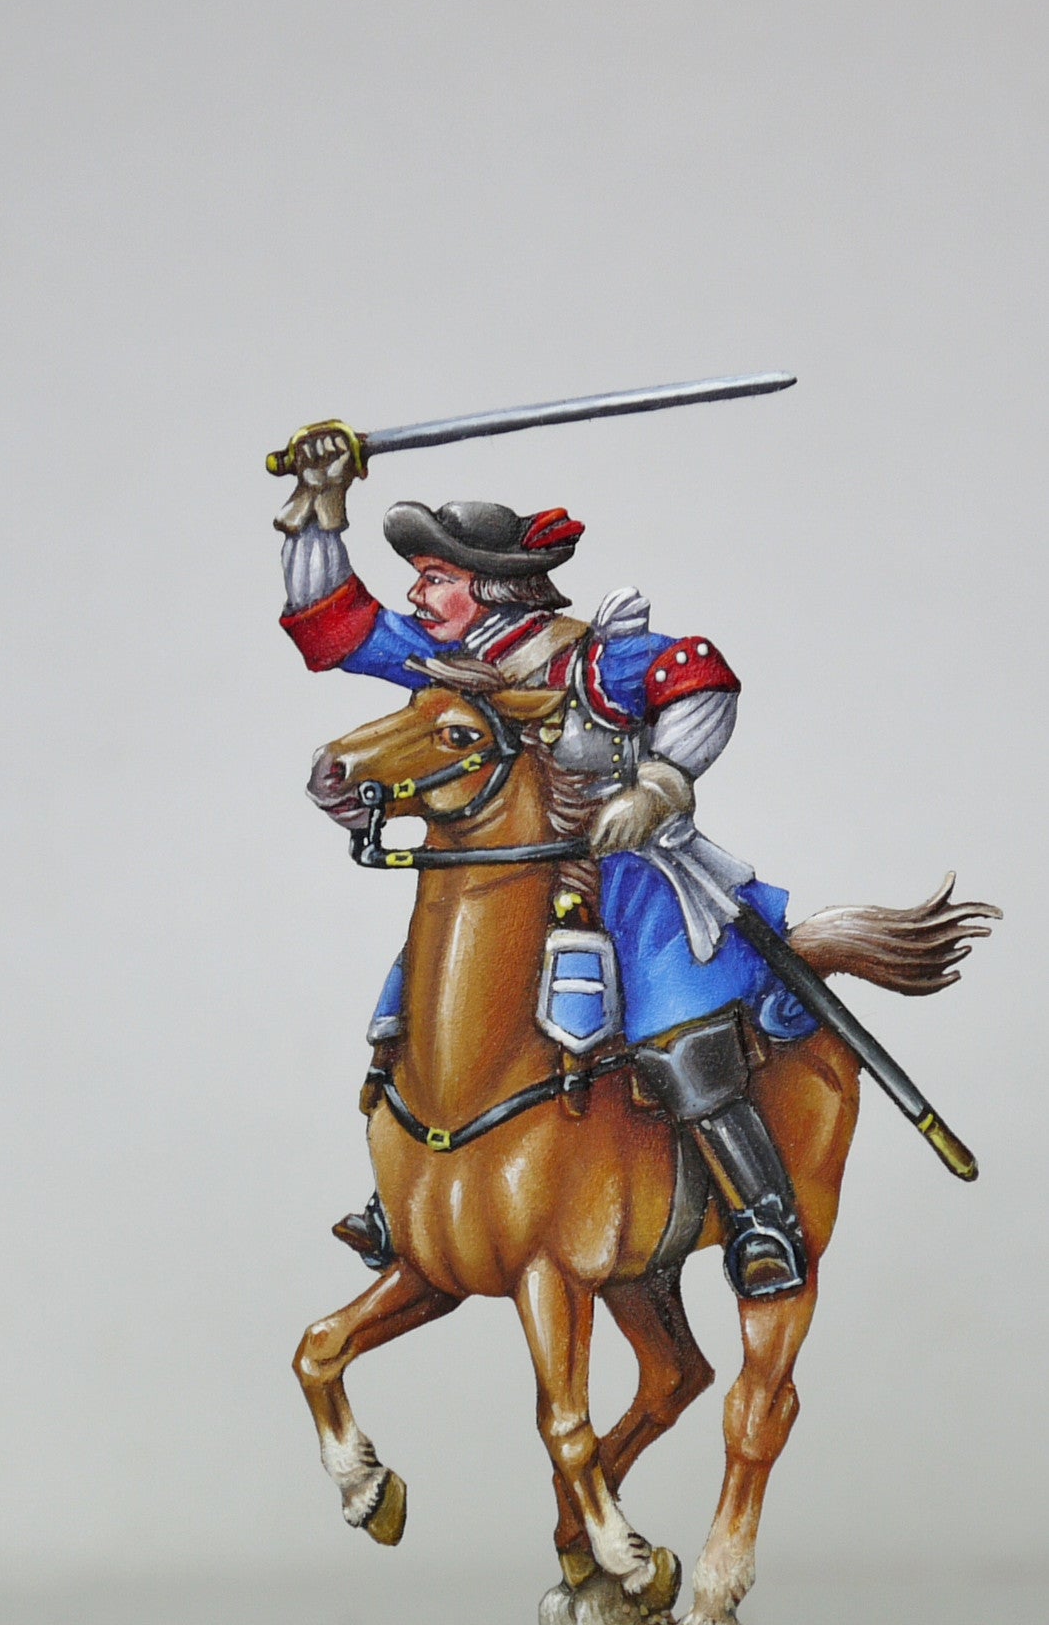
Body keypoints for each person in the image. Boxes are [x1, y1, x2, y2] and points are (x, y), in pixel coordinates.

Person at [275, 428, 817, 1300]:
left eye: (435, 577)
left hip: (623, 878)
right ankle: (404, 1198)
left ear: (490, 587)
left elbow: (699, 678)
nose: (416, 593)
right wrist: (318, 506)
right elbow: (331, 622)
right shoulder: (438, 657)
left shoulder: (592, 657)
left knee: (681, 1040)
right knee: (413, 1022)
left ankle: (761, 1217)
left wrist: (660, 783)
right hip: (499, 879)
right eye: (419, 577)